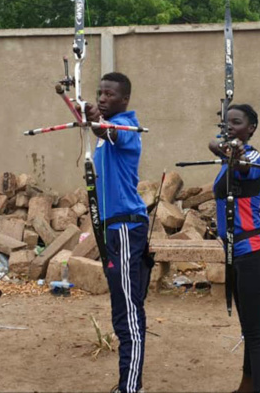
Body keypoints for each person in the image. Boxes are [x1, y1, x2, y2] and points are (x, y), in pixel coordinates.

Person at [84, 72, 150, 393]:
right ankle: (128, 384)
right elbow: (99, 128)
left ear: (125, 99)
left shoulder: (126, 128)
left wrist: (96, 119)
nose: (102, 98)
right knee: (122, 306)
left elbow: (107, 131)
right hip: (115, 228)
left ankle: (130, 387)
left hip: (125, 227)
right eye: (100, 93)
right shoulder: (108, 128)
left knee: (128, 311)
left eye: (109, 94)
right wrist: (88, 114)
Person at [208, 104, 260, 393]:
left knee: (257, 333)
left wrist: (235, 155)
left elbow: (245, 167)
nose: (230, 126)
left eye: (236, 122)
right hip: (236, 253)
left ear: (251, 129)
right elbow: (213, 144)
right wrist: (227, 151)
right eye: (226, 122)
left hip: (253, 252)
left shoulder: (253, 157)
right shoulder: (226, 158)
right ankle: (246, 386)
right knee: (249, 328)